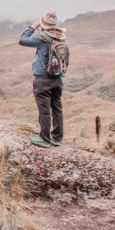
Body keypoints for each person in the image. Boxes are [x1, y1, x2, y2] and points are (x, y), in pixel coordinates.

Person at [19, 12, 68, 148]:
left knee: (44, 109)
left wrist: (33, 26)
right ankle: (57, 138)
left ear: (43, 24)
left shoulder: (42, 38)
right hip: (57, 78)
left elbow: (22, 40)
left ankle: (44, 138)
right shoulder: (60, 38)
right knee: (57, 108)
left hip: (43, 79)